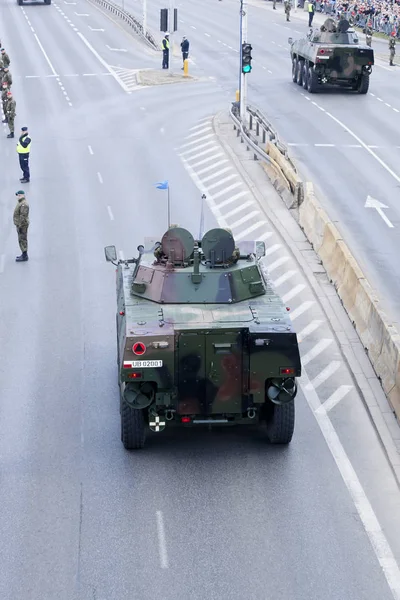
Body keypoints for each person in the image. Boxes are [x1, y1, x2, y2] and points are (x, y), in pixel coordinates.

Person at [13, 190, 29, 262]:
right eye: (17, 195)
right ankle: (23, 253)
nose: (18, 197)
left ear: (23, 195)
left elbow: (23, 216)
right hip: (20, 224)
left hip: (22, 225)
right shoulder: (20, 203)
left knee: (22, 239)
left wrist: (20, 226)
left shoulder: (23, 204)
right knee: (21, 239)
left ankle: (24, 255)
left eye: (19, 195)